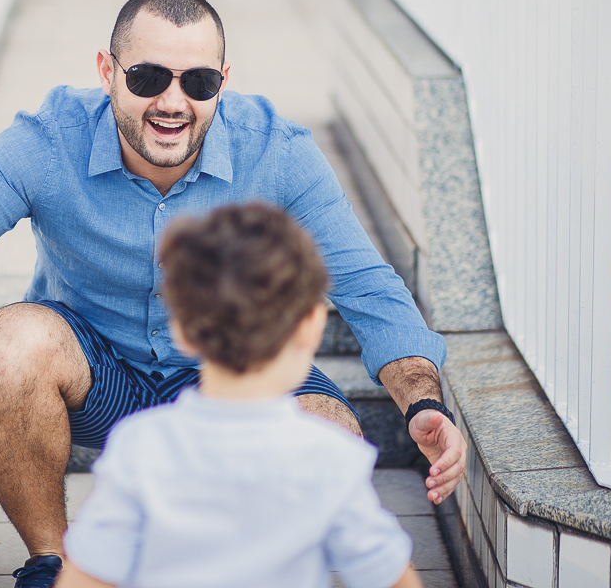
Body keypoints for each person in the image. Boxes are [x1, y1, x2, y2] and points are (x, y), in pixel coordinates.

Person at [0, 0, 463, 588]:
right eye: (146, 77)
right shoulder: (47, 142)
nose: (173, 103)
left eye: (198, 81)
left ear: (223, 80)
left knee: (331, 434)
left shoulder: (276, 151)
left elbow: (367, 286)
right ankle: (51, 564)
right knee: (6, 344)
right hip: (96, 373)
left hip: (230, 374)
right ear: (107, 72)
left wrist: (421, 403)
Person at [57, 202, 422, 588]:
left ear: (181, 328)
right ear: (311, 326)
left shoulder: (139, 447)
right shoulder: (330, 457)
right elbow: (393, 579)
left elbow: (86, 579)